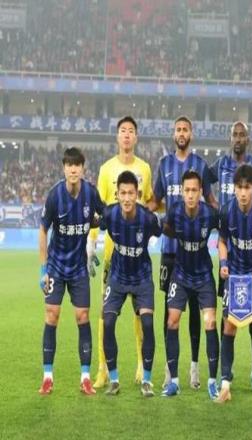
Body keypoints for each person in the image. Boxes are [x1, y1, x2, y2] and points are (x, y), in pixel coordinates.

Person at [148, 115, 217, 390]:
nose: (181, 133)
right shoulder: (164, 164)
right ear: (173, 134)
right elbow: (155, 200)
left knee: (197, 312)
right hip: (171, 250)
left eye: (185, 129)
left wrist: (225, 215)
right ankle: (170, 369)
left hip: (197, 251)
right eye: (177, 129)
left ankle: (195, 367)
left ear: (191, 134)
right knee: (170, 309)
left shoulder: (200, 164)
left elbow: (210, 199)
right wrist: (139, 214)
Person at [87, 116, 153, 388]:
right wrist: (91, 243)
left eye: (131, 131)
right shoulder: (106, 170)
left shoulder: (145, 169)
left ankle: (140, 364)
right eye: (122, 131)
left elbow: (148, 205)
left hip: (137, 257)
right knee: (105, 314)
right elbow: (98, 211)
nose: (126, 135)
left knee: (141, 315)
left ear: (136, 137)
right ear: (117, 137)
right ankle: (102, 369)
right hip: (112, 258)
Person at [209, 121, 252, 391]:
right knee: (229, 326)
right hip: (234, 275)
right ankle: (226, 379)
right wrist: (223, 264)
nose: (244, 191)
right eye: (240, 187)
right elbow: (222, 241)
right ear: (235, 188)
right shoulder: (226, 211)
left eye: (249, 187)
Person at [38, 147, 104, 395]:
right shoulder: (55, 195)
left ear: (83, 168)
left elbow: (103, 216)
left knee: (82, 317)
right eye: (69, 165)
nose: (73, 169)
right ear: (64, 168)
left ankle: (85, 378)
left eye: (77, 165)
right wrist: (43, 270)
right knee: (51, 315)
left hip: (78, 268)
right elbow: (43, 230)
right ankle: (47, 377)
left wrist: (96, 227)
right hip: (56, 266)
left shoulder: (90, 193)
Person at [100, 171, 160, 397]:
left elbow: (161, 230)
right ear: (117, 194)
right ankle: (114, 380)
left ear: (138, 194)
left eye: (131, 193)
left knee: (147, 323)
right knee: (107, 322)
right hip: (117, 276)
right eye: (122, 193)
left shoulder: (147, 218)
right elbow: (96, 221)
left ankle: (147, 380)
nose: (126, 198)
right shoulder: (110, 214)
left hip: (142, 277)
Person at [161, 170, 220, 400]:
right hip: (181, 274)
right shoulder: (175, 211)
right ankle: (174, 382)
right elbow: (166, 228)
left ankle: (212, 382)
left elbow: (225, 232)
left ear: (201, 192)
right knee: (172, 321)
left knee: (210, 322)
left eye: (195, 190)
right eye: (187, 190)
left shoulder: (209, 214)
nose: (191, 194)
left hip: (204, 275)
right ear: (182, 191)